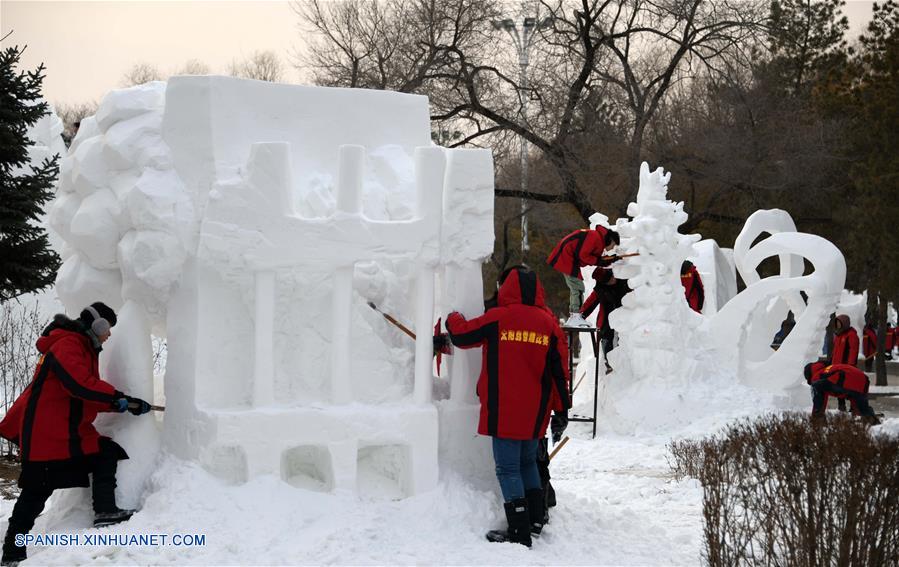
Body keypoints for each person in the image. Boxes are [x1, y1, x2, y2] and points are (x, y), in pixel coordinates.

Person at [0, 303, 152, 566]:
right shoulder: (68, 345)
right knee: (34, 495)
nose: (109, 335)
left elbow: (85, 393)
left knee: (104, 452)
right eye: (108, 328)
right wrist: (118, 398)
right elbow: (80, 385)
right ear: (98, 325)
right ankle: (12, 555)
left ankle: (105, 511)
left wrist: (123, 403)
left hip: (63, 433)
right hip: (46, 436)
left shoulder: (80, 347)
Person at [445, 266, 571, 548]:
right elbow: (560, 372)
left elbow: (462, 336)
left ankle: (518, 531)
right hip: (536, 410)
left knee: (507, 469)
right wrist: (562, 410)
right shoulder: (548, 323)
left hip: (505, 408)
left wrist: (452, 317)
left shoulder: (498, 318)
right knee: (527, 463)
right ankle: (536, 520)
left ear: (507, 287)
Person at [547, 226, 620, 327]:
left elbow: (591, 256)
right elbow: (584, 255)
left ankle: (574, 316)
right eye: (613, 245)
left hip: (567, 256)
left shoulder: (597, 237)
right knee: (577, 287)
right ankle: (576, 316)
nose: (612, 248)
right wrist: (600, 261)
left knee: (577, 287)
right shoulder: (596, 237)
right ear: (611, 240)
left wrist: (606, 260)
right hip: (567, 257)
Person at [580, 268, 630, 363]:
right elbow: (590, 303)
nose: (613, 280)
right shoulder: (600, 289)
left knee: (623, 339)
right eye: (609, 281)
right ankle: (607, 363)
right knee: (606, 339)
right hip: (606, 318)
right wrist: (581, 315)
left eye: (612, 277)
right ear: (604, 283)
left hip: (624, 316)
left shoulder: (621, 279)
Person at [804, 362, 879, 425]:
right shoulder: (829, 369)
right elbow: (852, 389)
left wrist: (816, 414)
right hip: (863, 379)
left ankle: (818, 419)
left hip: (844, 377)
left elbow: (821, 397)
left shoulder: (817, 375)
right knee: (861, 407)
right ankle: (872, 420)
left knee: (816, 386)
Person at [828, 314, 860, 412]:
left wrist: (851, 365)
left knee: (848, 387)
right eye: (836, 323)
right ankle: (841, 406)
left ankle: (853, 407)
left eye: (839, 323)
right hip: (837, 366)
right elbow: (835, 351)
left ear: (844, 324)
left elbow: (853, 350)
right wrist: (831, 362)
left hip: (846, 367)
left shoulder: (851, 335)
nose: (837, 325)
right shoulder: (838, 335)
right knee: (838, 387)